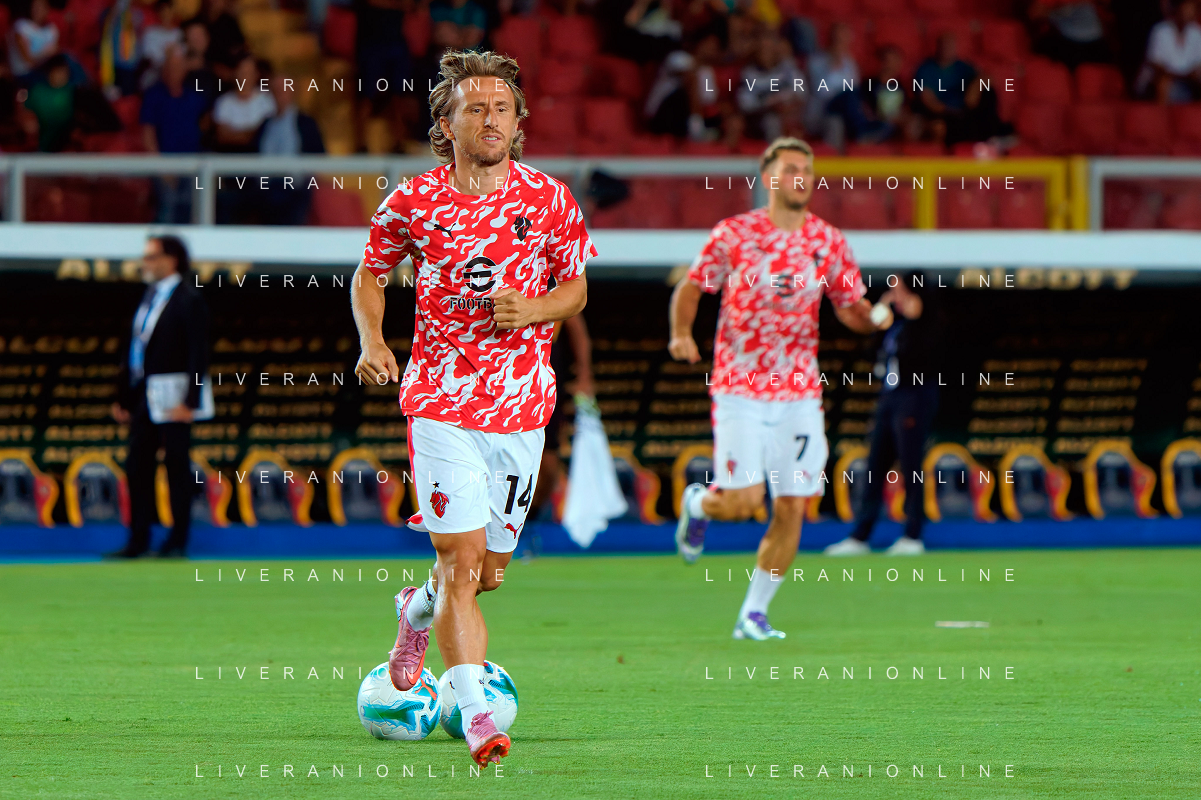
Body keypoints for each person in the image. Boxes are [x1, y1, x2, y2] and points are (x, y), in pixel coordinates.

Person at [350, 49, 595, 764]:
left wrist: (535, 308)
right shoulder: (413, 201)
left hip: (522, 408)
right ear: (446, 124)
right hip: (441, 401)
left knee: (488, 571)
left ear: (517, 122)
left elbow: (575, 290)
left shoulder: (549, 199)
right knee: (460, 562)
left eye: (502, 108)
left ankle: (414, 611)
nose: (491, 118)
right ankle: (479, 718)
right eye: (475, 108)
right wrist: (373, 339)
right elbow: (369, 274)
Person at [667, 137, 893, 641]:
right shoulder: (735, 234)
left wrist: (873, 317)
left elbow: (849, 308)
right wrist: (681, 333)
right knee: (743, 501)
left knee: (793, 503)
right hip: (740, 387)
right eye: (792, 168)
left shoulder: (827, 240)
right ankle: (700, 505)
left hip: (799, 393)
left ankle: (754, 613)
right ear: (769, 178)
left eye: (808, 170)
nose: (802, 177)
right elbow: (692, 286)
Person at [824, 271, 943, 557]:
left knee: (911, 465)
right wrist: (882, 315)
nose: (894, 296)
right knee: (875, 465)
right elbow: (874, 353)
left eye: (899, 290)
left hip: (915, 397)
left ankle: (913, 535)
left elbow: (924, 358)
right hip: (890, 397)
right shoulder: (896, 324)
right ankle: (860, 536)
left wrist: (915, 319)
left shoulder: (929, 323)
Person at [107, 236, 211, 559]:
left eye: (152, 257)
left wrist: (190, 402)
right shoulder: (148, 296)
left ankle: (177, 541)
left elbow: (198, 354)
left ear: (172, 259)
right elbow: (135, 350)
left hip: (175, 394)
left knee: (176, 466)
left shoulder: (189, 299)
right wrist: (124, 397)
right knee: (137, 465)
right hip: (144, 392)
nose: (146, 263)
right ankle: (138, 539)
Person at [1137, 0, 1201, 104]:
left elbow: (1198, 64)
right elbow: (1155, 63)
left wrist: (1190, 75)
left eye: (1191, 9)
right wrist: (1177, 75)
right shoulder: (1160, 30)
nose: (1189, 12)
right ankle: (1160, 114)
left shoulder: (1197, 33)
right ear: (1177, 9)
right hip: (1161, 80)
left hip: (1188, 82)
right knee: (1164, 82)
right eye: (1186, 8)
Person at [212, 56, 276, 152]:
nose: (245, 77)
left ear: (256, 74)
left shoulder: (267, 100)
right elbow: (222, 136)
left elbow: (267, 133)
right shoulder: (223, 102)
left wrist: (235, 132)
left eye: (248, 72)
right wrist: (252, 133)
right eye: (242, 72)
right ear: (235, 73)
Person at [22, 54, 74, 151]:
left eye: (64, 72)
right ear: (49, 72)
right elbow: (26, 113)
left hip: (66, 140)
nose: (61, 76)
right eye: (58, 72)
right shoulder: (37, 91)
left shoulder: (73, 92)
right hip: (42, 139)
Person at [9, 0, 60, 85]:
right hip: (23, 73)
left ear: (48, 9)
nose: (38, 10)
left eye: (42, 7)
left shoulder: (52, 29)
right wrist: (46, 56)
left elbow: (56, 54)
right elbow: (27, 60)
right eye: (35, 7)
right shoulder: (21, 26)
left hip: (46, 72)